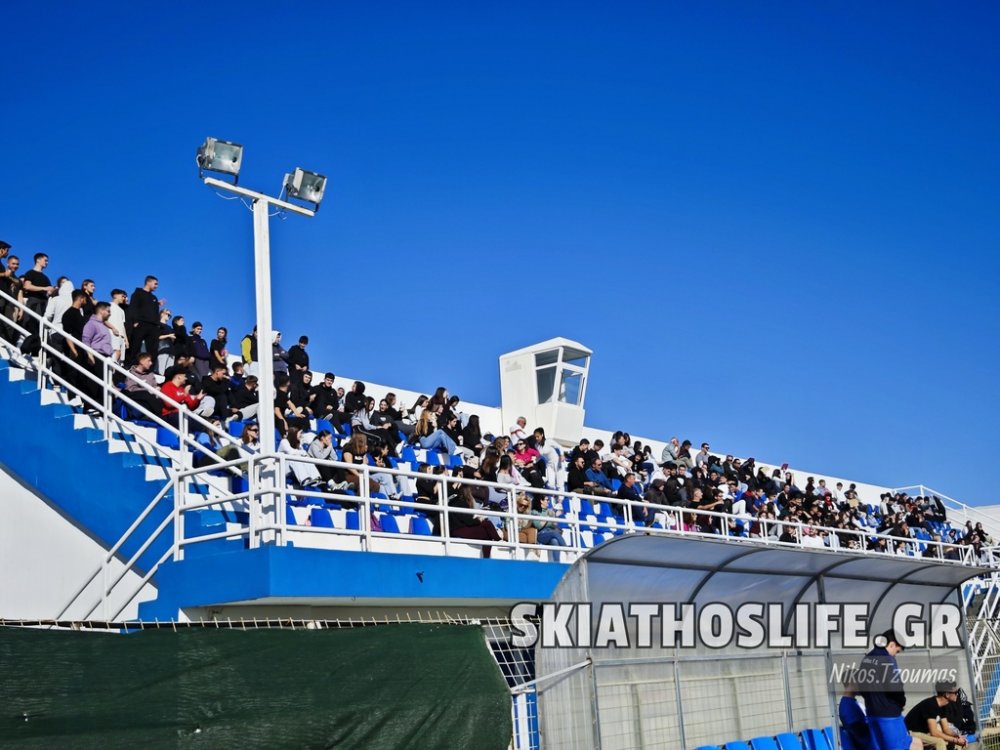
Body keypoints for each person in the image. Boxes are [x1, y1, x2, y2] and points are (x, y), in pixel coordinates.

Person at [859, 629, 911, 750]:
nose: (895, 654)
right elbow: (895, 686)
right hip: (889, 716)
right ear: (892, 644)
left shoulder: (866, 659)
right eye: (896, 651)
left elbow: (862, 688)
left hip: (872, 714)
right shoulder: (887, 659)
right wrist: (901, 702)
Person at [905, 681, 971, 749]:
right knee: (940, 742)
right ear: (947, 694)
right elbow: (934, 732)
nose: (957, 695)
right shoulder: (931, 705)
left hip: (923, 733)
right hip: (910, 733)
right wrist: (955, 740)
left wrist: (957, 736)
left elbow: (946, 729)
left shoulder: (943, 706)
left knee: (953, 741)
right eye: (955, 693)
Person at [127, 275, 164, 369]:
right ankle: (132, 366)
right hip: (141, 324)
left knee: (153, 350)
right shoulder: (137, 294)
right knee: (135, 346)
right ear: (148, 282)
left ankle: (149, 370)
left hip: (153, 327)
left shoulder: (154, 298)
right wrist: (135, 321)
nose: (156, 286)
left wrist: (157, 325)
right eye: (155, 284)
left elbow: (154, 312)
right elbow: (133, 307)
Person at [20, 252, 56, 333]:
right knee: (31, 324)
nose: (47, 263)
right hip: (34, 302)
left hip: (44, 304)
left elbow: (48, 291)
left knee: (39, 327)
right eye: (45, 260)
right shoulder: (30, 273)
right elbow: (27, 286)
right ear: (38, 260)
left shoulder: (46, 277)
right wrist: (44, 288)